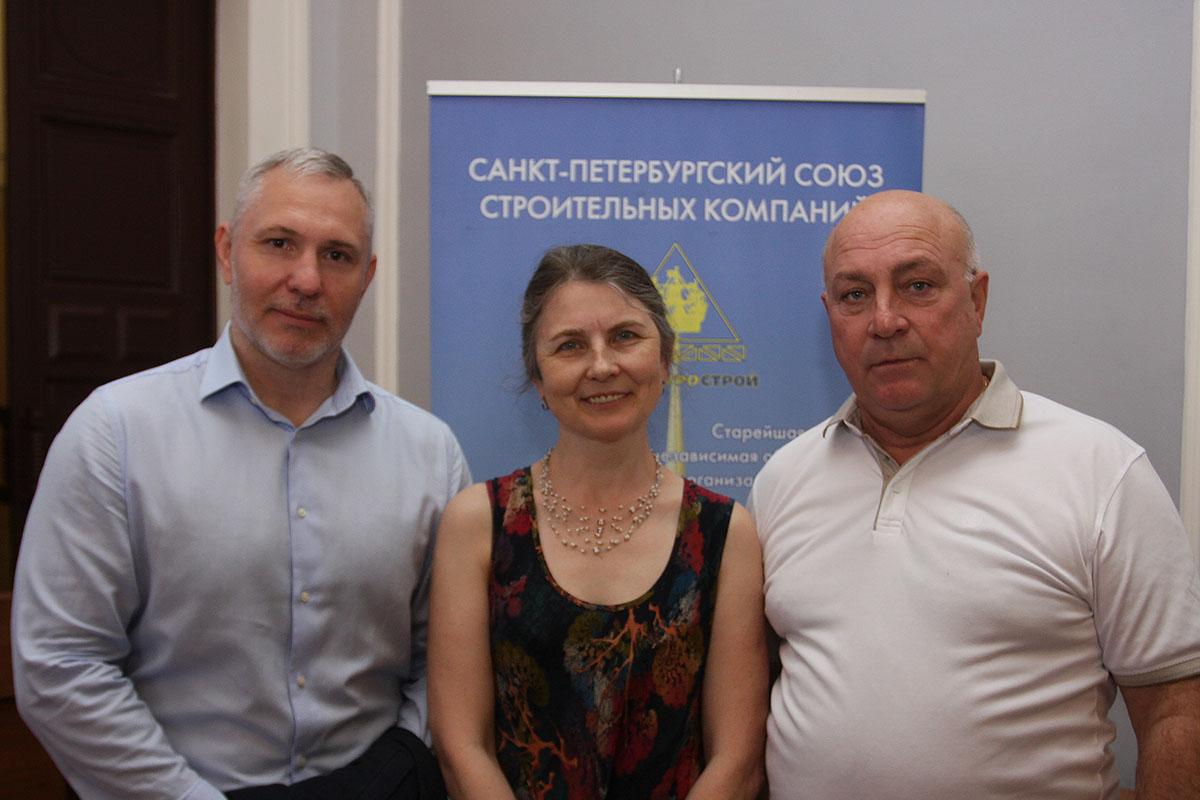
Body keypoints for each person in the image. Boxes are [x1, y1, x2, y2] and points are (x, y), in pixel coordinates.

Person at [12, 147, 470, 799]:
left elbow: (450, 661)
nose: (306, 280)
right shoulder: (116, 433)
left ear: (367, 277)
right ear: (228, 252)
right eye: (279, 243)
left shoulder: (430, 452)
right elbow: (60, 663)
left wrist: (390, 776)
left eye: (337, 255)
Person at [750, 189, 1200, 798]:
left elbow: (1176, 705)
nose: (885, 320)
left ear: (977, 300)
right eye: (855, 295)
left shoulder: (1100, 470)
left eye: (917, 286)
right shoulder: (783, 478)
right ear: (829, 314)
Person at [427, 244, 768, 799]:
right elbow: (461, 747)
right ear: (538, 378)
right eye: (570, 345)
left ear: (666, 359)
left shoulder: (725, 533)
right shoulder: (478, 524)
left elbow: (738, 759)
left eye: (625, 336)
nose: (602, 365)